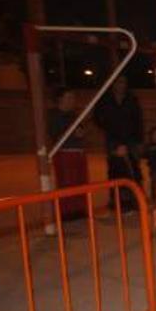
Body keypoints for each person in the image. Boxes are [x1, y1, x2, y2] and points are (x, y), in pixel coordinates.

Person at [93, 74, 144, 210]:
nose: (120, 85)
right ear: (112, 84)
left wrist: (139, 141)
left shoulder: (132, 99)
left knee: (134, 169)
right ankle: (117, 201)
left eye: (123, 82)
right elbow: (97, 118)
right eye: (117, 82)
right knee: (115, 170)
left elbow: (138, 120)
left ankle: (136, 199)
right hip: (113, 139)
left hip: (131, 139)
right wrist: (107, 127)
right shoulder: (105, 100)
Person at [47, 88, 89, 219]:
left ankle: (79, 209)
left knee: (80, 181)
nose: (72, 101)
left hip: (78, 152)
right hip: (64, 152)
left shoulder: (73, 115)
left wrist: (80, 132)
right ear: (60, 99)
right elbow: (56, 133)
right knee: (67, 182)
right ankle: (67, 212)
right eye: (69, 97)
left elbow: (80, 132)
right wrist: (73, 133)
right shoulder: (54, 115)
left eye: (73, 98)